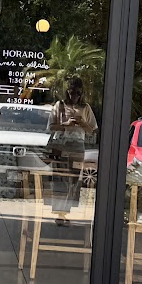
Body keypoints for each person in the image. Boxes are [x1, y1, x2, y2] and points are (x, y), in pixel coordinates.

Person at [47, 77, 97, 216]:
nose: (74, 96)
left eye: (77, 93)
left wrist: (82, 123)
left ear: (82, 93)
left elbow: (92, 130)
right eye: (72, 92)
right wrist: (66, 125)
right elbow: (51, 127)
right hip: (61, 145)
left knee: (74, 178)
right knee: (60, 177)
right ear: (67, 91)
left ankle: (66, 210)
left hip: (77, 145)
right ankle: (59, 210)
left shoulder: (85, 108)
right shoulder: (59, 105)